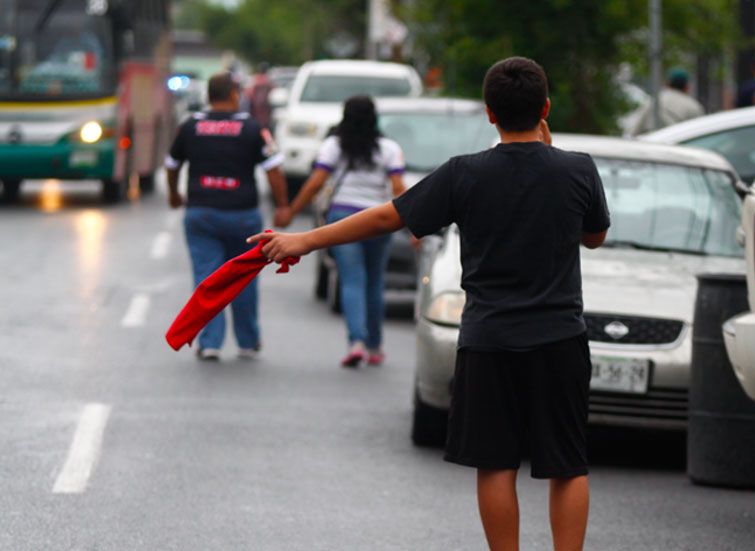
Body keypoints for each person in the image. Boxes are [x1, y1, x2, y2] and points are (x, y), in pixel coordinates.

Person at [250, 56, 608, 551]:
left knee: (497, 463)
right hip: (560, 339)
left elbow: (385, 219)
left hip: (489, 340)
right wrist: (554, 156)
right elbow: (594, 236)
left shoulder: (465, 174)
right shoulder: (577, 169)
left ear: (489, 113)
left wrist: (304, 240)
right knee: (568, 465)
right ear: (546, 107)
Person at [165, 72, 291, 361]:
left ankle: (210, 342)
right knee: (243, 276)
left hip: (201, 213)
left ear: (210, 96)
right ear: (235, 95)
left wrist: (174, 193)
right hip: (243, 216)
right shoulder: (252, 128)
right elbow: (273, 169)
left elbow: (171, 164)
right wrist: (283, 206)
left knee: (206, 277)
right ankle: (247, 341)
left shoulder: (190, 126)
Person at [279, 96, 406, 368]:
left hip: (343, 218)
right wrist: (416, 225)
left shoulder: (334, 146)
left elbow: (315, 183)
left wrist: (291, 210)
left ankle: (356, 342)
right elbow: (398, 188)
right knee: (374, 282)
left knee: (351, 280)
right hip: (379, 220)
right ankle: (375, 346)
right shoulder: (389, 149)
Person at [245, 62, 273, 129]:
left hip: (259, 108)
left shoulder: (256, 79)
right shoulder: (268, 80)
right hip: (262, 108)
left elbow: (249, 93)